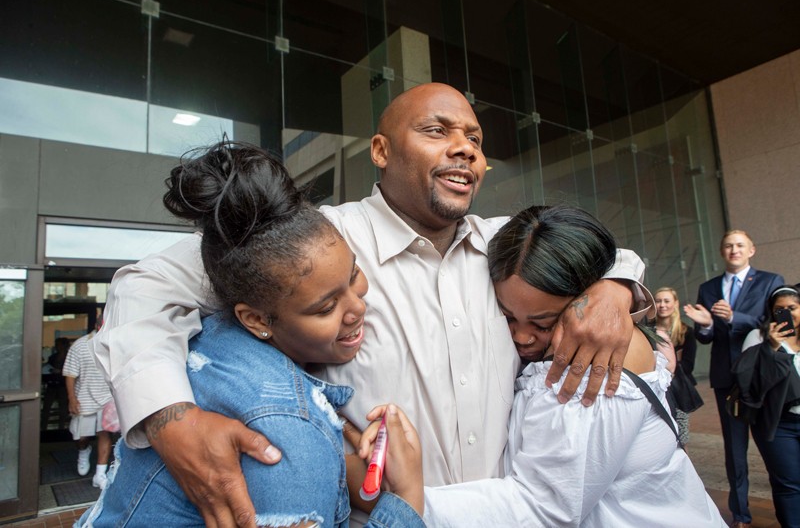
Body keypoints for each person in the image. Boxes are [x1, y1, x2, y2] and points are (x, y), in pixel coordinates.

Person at [93, 82, 653, 526]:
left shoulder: (508, 245)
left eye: (476, 140)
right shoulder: (314, 242)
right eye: (437, 130)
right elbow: (145, 284)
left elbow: (607, 252)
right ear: (381, 152)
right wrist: (169, 418)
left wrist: (613, 289)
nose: (465, 147)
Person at [78, 141, 425, 527]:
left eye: (355, 275)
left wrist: (333, 468)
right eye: (326, 307)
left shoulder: (218, 334)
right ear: (256, 320)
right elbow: (142, 286)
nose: (359, 307)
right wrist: (407, 499)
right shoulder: (284, 434)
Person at [354, 205, 723, 526]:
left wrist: (406, 498)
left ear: (587, 298)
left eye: (544, 323)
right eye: (507, 317)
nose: (523, 337)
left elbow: (542, 509)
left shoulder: (594, 363)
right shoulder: (530, 268)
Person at [684, 230, 784, 528]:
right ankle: (740, 515)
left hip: (762, 376)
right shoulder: (709, 287)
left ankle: (788, 508)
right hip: (727, 377)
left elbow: (772, 324)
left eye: (740, 245)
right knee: (734, 449)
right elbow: (707, 336)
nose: (734, 250)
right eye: (728, 245)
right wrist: (704, 326)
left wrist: (732, 318)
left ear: (751, 250)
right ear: (721, 251)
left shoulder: (771, 281)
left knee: (774, 444)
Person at [738, 285, 800, 528]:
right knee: (789, 483)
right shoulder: (758, 337)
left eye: (792, 308)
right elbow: (750, 383)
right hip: (778, 423)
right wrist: (772, 348)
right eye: (779, 309)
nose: (785, 313)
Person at [62, 323, 113, 489]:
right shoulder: (80, 345)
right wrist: (72, 398)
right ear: (99, 325)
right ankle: (83, 451)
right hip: (84, 399)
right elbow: (70, 374)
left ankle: (100, 475)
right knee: (80, 438)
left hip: (107, 399)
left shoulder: (115, 343)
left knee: (104, 434)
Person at [655, 286, 699, 444]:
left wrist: (665, 363)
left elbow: (688, 365)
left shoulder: (687, 332)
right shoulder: (647, 330)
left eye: (666, 301)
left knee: (680, 437)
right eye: (658, 301)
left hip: (679, 389)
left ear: (675, 303)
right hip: (656, 389)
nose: (662, 305)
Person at [41, 336, 70, 430]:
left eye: (59, 345)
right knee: (46, 408)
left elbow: (72, 372)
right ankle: (43, 428)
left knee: (63, 408)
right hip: (52, 384)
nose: (57, 347)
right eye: (57, 345)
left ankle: (61, 428)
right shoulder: (52, 357)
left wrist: (60, 371)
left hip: (63, 385)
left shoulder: (70, 357)